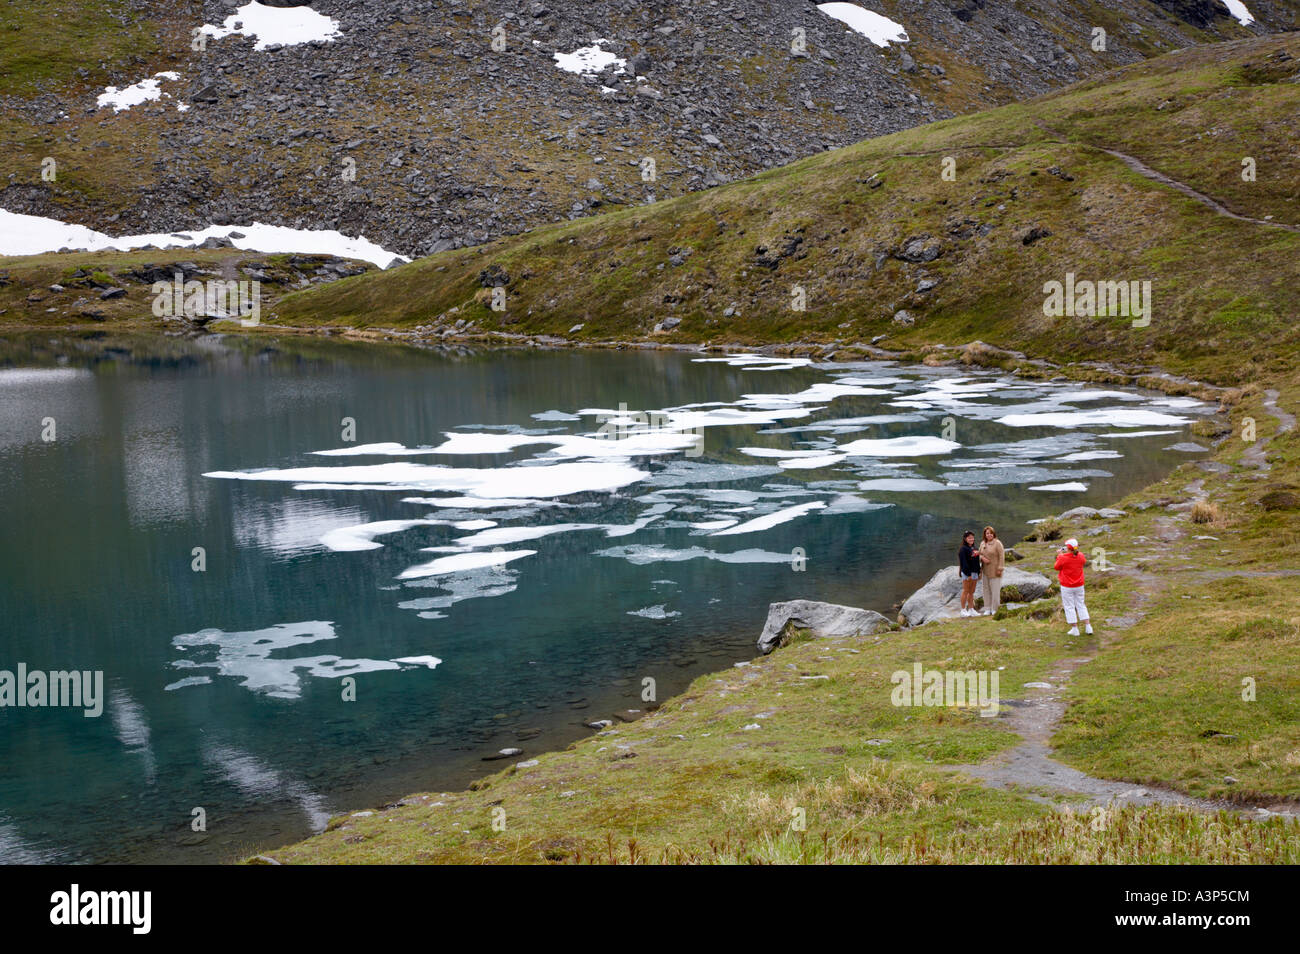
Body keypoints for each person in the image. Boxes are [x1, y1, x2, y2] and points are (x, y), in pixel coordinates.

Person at [1053, 537, 1093, 637]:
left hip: (1067, 586)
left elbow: (1056, 567)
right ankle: (1088, 627)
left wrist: (1059, 555)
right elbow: (1082, 561)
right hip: (1079, 585)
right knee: (1081, 604)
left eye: (1066, 546)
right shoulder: (1081, 556)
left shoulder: (1063, 557)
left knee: (1069, 606)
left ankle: (1075, 629)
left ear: (1069, 548)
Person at [978, 526, 1004, 616]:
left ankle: (995, 609)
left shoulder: (997, 543)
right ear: (985, 535)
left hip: (995, 570)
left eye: (990, 533)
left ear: (993, 534)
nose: (989, 535)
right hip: (985, 570)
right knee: (986, 590)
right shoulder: (982, 543)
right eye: (987, 533)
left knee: (995, 590)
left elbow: (1001, 556)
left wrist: (1000, 569)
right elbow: (979, 554)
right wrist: (982, 558)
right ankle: (987, 608)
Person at [957, 530, 981, 617]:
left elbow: (977, 561)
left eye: (972, 537)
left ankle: (971, 609)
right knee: (966, 591)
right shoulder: (963, 549)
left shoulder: (974, 548)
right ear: (965, 539)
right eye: (969, 537)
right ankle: (963, 610)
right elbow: (964, 563)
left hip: (975, 572)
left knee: (971, 592)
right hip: (968, 573)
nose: (971, 539)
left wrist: (979, 572)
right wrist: (968, 574)